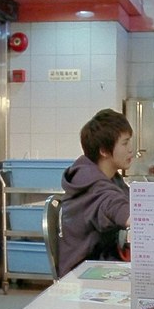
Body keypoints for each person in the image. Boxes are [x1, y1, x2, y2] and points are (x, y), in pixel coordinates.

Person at [58, 109, 133, 276]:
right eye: (125, 143)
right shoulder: (91, 185)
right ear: (104, 150)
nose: (131, 149)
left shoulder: (112, 178)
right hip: (82, 274)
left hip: (101, 263)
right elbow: (115, 206)